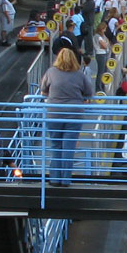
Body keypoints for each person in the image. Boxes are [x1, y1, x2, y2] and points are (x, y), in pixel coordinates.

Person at [38, 47, 95, 182]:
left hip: (54, 113)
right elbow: (89, 93)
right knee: (69, 148)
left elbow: (43, 90)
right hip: (74, 114)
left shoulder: (51, 72)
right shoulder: (79, 74)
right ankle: (65, 180)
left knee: (56, 146)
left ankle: (55, 179)